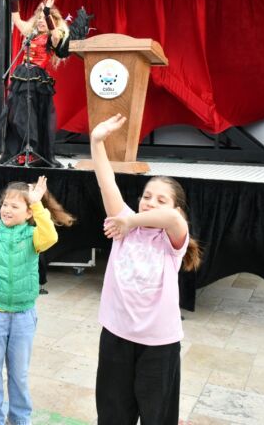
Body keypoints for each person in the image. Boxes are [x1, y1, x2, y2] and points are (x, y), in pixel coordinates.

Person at [90, 113, 202, 425]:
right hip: (116, 337)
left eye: (160, 200)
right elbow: (105, 181)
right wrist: (97, 141)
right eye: (147, 196)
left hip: (159, 346)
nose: (150, 202)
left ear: (176, 207)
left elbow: (173, 220)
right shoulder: (124, 226)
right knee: (112, 417)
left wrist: (130, 221)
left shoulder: (172, 240)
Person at [0, 176, 73, 424]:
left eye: (15, 206)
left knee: (19, 374)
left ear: (28, 213)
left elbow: (51, 236)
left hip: (24, 316)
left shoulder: (34, 237)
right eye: (5, 204)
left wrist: (37, 204)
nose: (7, 210)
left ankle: (20, 418)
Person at [0, 0, 71, 168]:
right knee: (17, 116)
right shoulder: (31, 34)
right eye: (40, 18)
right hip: (22, 75)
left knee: (32, 116)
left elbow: (55, 34)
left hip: (37, 79)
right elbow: (17, 20)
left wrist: (47, 12)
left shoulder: (54, 37)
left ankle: (33, 153)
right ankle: (19, 153)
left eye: (44, 19)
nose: (41, 21)